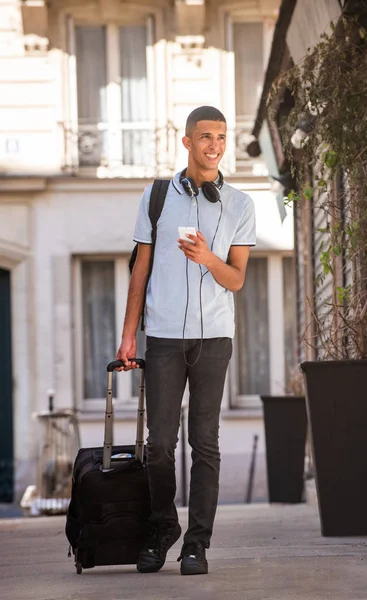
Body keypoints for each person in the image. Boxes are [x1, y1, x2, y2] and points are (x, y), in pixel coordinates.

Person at [116, 105, 256, 576]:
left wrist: (206, 258)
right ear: (187, 142)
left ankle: (197, 543)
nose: (214, 145)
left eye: (221, 137)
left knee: (206, 444)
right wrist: (128, 336)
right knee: (158, 444)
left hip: (214, 338)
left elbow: (235, 280)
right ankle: (162, 529)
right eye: (205, 137)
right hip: (163, 338)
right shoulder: (156, 197)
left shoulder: (240, 204)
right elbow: (140, 269)